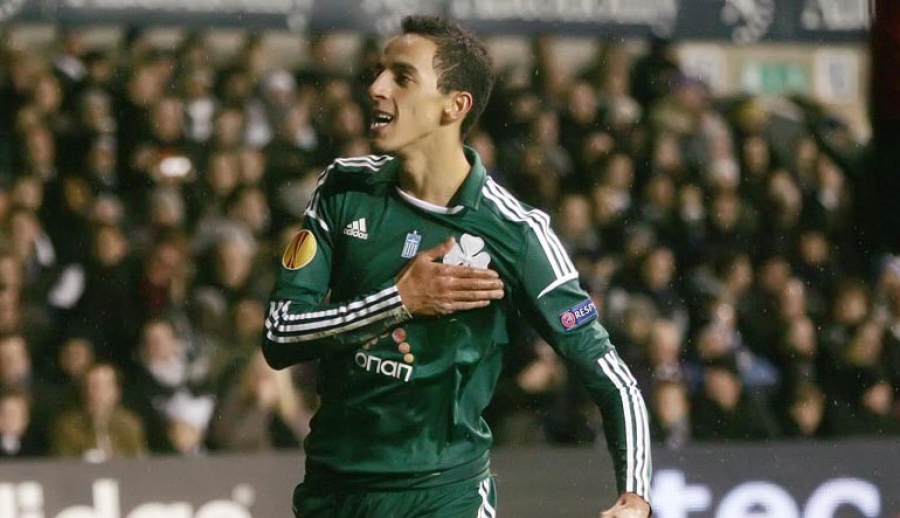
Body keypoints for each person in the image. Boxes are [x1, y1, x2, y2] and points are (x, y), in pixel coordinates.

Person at [261, 15, 651, 518]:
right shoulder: (343, 187)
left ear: (455, 105)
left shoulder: (516, 232)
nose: (376, 88)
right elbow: (280, 333)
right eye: (379, 72)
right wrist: (398, 301)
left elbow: (610, 376)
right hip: (333, 491)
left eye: (402, 77)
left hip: (445, 496)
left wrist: (635, 495)